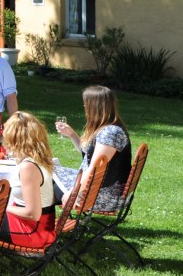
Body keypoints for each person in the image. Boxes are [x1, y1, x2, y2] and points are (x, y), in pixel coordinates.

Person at [55, 85, 132, 213]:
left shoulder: (110, 133)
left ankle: (40, 226)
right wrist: (72, 134)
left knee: (44, 184)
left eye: (86, 105)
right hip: (98, 188)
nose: (85, 109)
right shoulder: (109, 128)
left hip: (103, 196)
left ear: (95, 108)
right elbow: (89, 155)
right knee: (47, 173)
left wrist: (73, 193)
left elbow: (94, 170)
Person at [0, 112, 57, 248]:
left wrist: (4, 208)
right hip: (41, 226)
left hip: (33, 231)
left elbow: (33, 214)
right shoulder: (39, 159)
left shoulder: (28, 167)